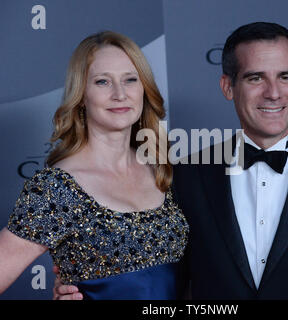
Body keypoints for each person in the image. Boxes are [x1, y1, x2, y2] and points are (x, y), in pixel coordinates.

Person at [55, 22, 288, 300]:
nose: (273, 92)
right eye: (255, 78)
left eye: (285, 77)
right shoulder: (186, 176)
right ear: (228, 86)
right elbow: (164, 287)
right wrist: (87, 289)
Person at [0, 31, 189, 300]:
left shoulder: (164, 169)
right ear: (81, 95)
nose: (120, 94)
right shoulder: (56, 188)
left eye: (130, 80)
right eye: (103, 82)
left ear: (143, 89)